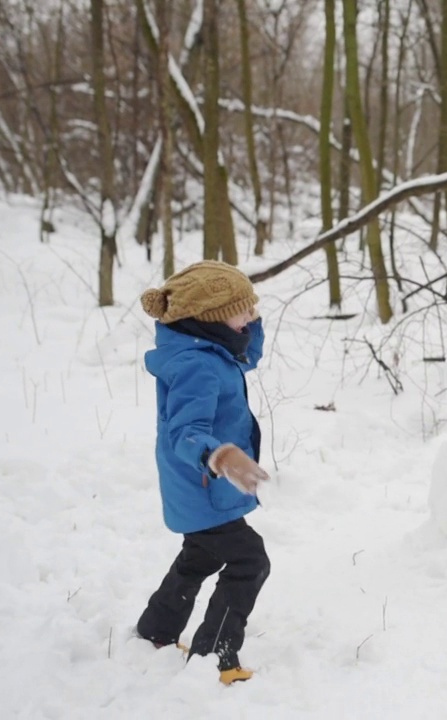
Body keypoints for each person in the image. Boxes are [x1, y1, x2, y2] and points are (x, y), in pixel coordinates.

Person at [134, 261, 272, 685]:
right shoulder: (197, 365)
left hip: (199, 490)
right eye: (241, 313)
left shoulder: (212, 351)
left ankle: (156, 629)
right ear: (210, 319)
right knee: (250, 561)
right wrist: (223, 457)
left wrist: (250, 315)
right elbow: (185, 433)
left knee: (200, 557)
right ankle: (214, 655)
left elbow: (246, 355)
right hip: (205, 488)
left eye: (251, 312)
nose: (248, 320)